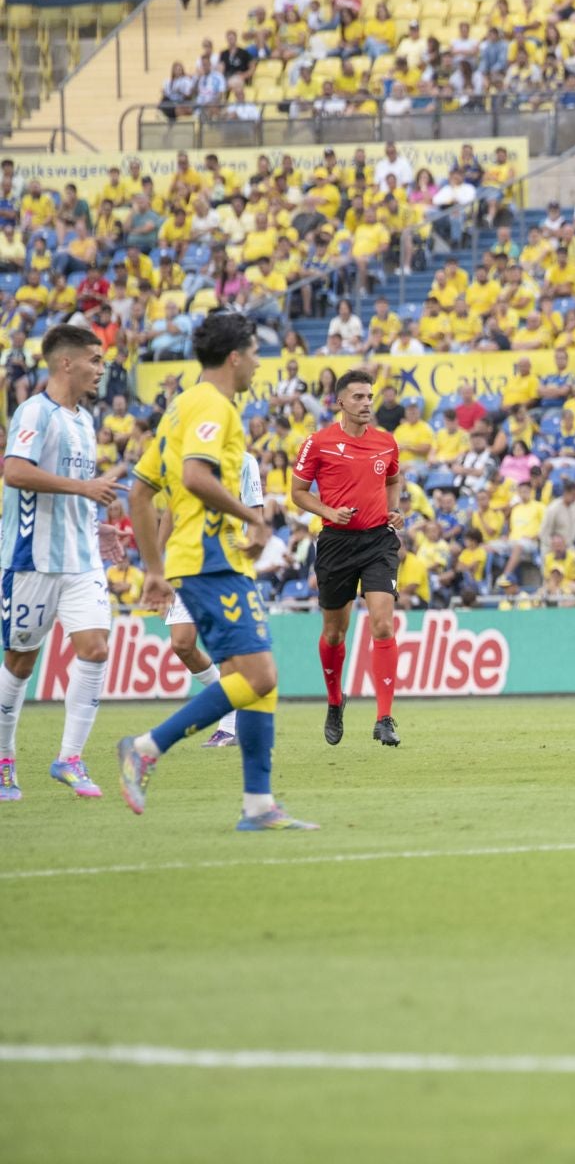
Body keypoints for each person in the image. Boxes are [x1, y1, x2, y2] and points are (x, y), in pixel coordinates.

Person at [121, 314, 314, 830]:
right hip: (210, 560)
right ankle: (146, 747)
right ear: (234, 357)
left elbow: (142, 492)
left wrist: (155, 568)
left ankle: (258, 806)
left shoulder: (178, 408)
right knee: (259, 676)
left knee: (260, 682)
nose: (256, 363)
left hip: (205, 561)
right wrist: (254, 516)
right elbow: (194, 476)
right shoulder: (214, 406)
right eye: (253, 353)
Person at [0, 326, 119, 803]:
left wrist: (96, 523)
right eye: (94, 359)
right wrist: (85, 490)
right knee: (21, 662)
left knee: (95, 649)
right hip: (32, 561)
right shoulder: (35, 412)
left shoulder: (84, 420)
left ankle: (70, 758)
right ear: (66, 363)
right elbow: (15, 471)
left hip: (80, 559)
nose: (100, 368)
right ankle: (4, 760)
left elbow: (75, 488)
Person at [291, 370, 404, 748]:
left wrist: (393, 510)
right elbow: (297, 492)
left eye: (370, 397)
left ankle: (384, 718)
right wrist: (327, 509)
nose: (367, 403)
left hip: (377, 541)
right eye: (358, 397)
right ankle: (335, 701)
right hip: (336, 542)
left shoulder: (386, 443)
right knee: (334, 633)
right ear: (340, 402)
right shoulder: (318, 443)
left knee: (383, 625)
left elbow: (392, 479)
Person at [163, 450, 268, 748]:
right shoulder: (184, 457)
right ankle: (229, 698)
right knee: (181, 643)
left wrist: (251, 549)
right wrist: (156, 567)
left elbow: (256, 513)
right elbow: (171, 512)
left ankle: (228, 725)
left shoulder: (245, 461)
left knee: (227, 648)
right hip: (187, 562)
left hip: (227, 566)